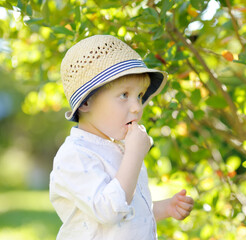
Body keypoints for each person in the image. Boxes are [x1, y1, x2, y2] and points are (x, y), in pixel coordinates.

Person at [49, 35, 194, 239]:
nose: (137, 107)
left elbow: (129, 211)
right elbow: (110, 211)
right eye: (124, 95)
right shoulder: (76, 155)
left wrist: (166, 208)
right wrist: (134, 155)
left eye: (140, 96)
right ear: (86, 103)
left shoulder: (120, 147)